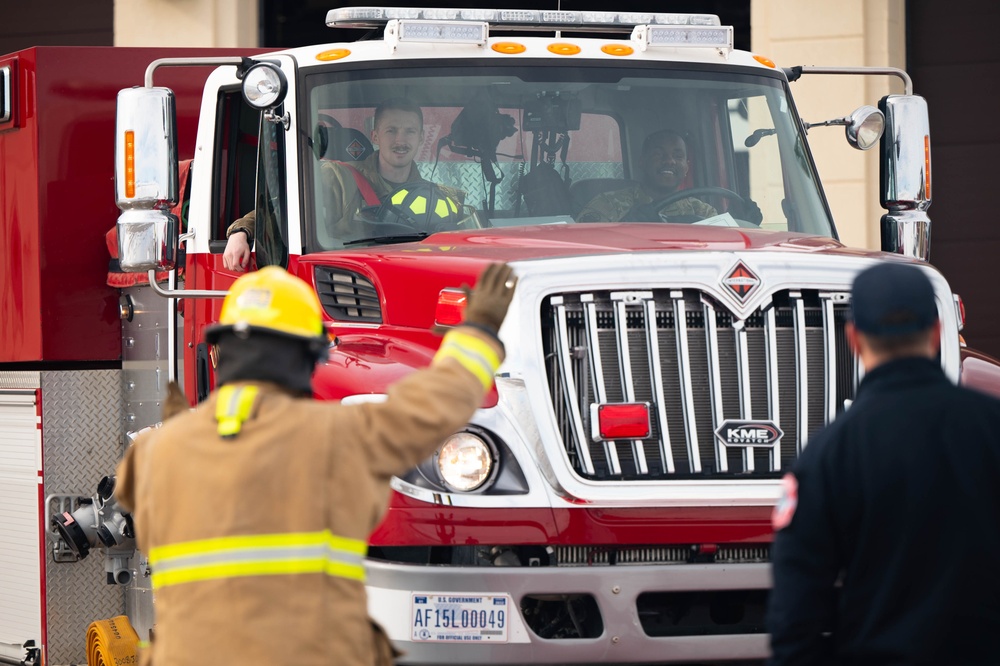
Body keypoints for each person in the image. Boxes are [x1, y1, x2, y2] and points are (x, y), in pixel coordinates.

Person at [114, 262, 517, 665]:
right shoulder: (339, 436)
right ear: (307, 357)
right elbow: (434, 405)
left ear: (222, 350)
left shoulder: (155, 451)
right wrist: (477, 334)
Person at [767, 262, 1000, 665]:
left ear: (854, 338)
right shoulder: (991, 426)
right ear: (937, 332)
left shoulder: (828, 455)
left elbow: (796, 612)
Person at [223, 97, 463, 271]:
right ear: (375, 136)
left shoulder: (438, 198)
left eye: (410, 131)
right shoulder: (338, 178)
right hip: (350, 286)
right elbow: (277, 211)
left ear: (421, 137)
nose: (401, 140)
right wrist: (241, 232)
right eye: (391, 130)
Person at [576, 129, 718, 223]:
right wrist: (625, 226)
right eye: (658, 154)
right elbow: (585, 245)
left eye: (678, 156)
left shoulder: (703, 212)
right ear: (642, 162)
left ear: (686, 167)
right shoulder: (608, 204)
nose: (669, 161)